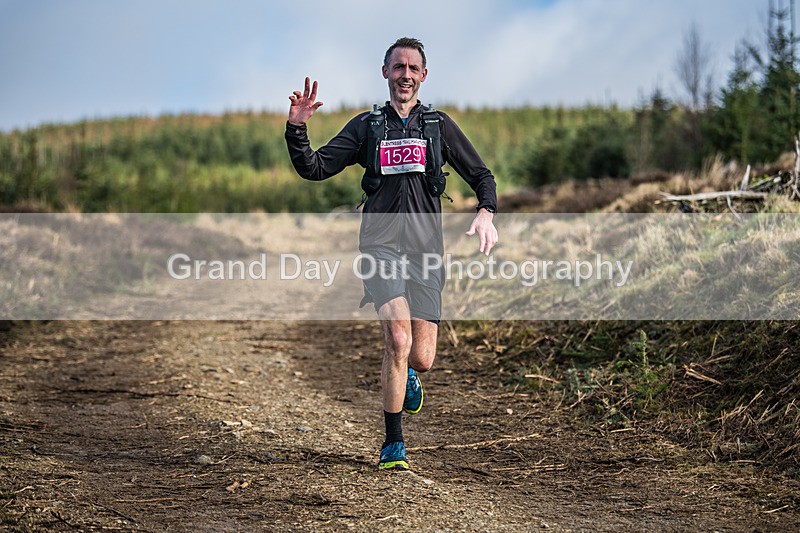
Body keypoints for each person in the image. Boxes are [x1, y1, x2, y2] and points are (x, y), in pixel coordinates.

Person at [285, 37, 498, 470]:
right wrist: (297, 128)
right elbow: (316, 167)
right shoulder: (368, 126)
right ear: (385, 73)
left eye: (413, 68)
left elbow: (481, 174)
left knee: (421, 355)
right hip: (379, 245)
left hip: (426, 251)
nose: (405, 74)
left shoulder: (438, 126)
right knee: (397, 339)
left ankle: (410, 373)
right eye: (397, 67)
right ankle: (393, 442)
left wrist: (486, 212)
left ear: (423, 75)